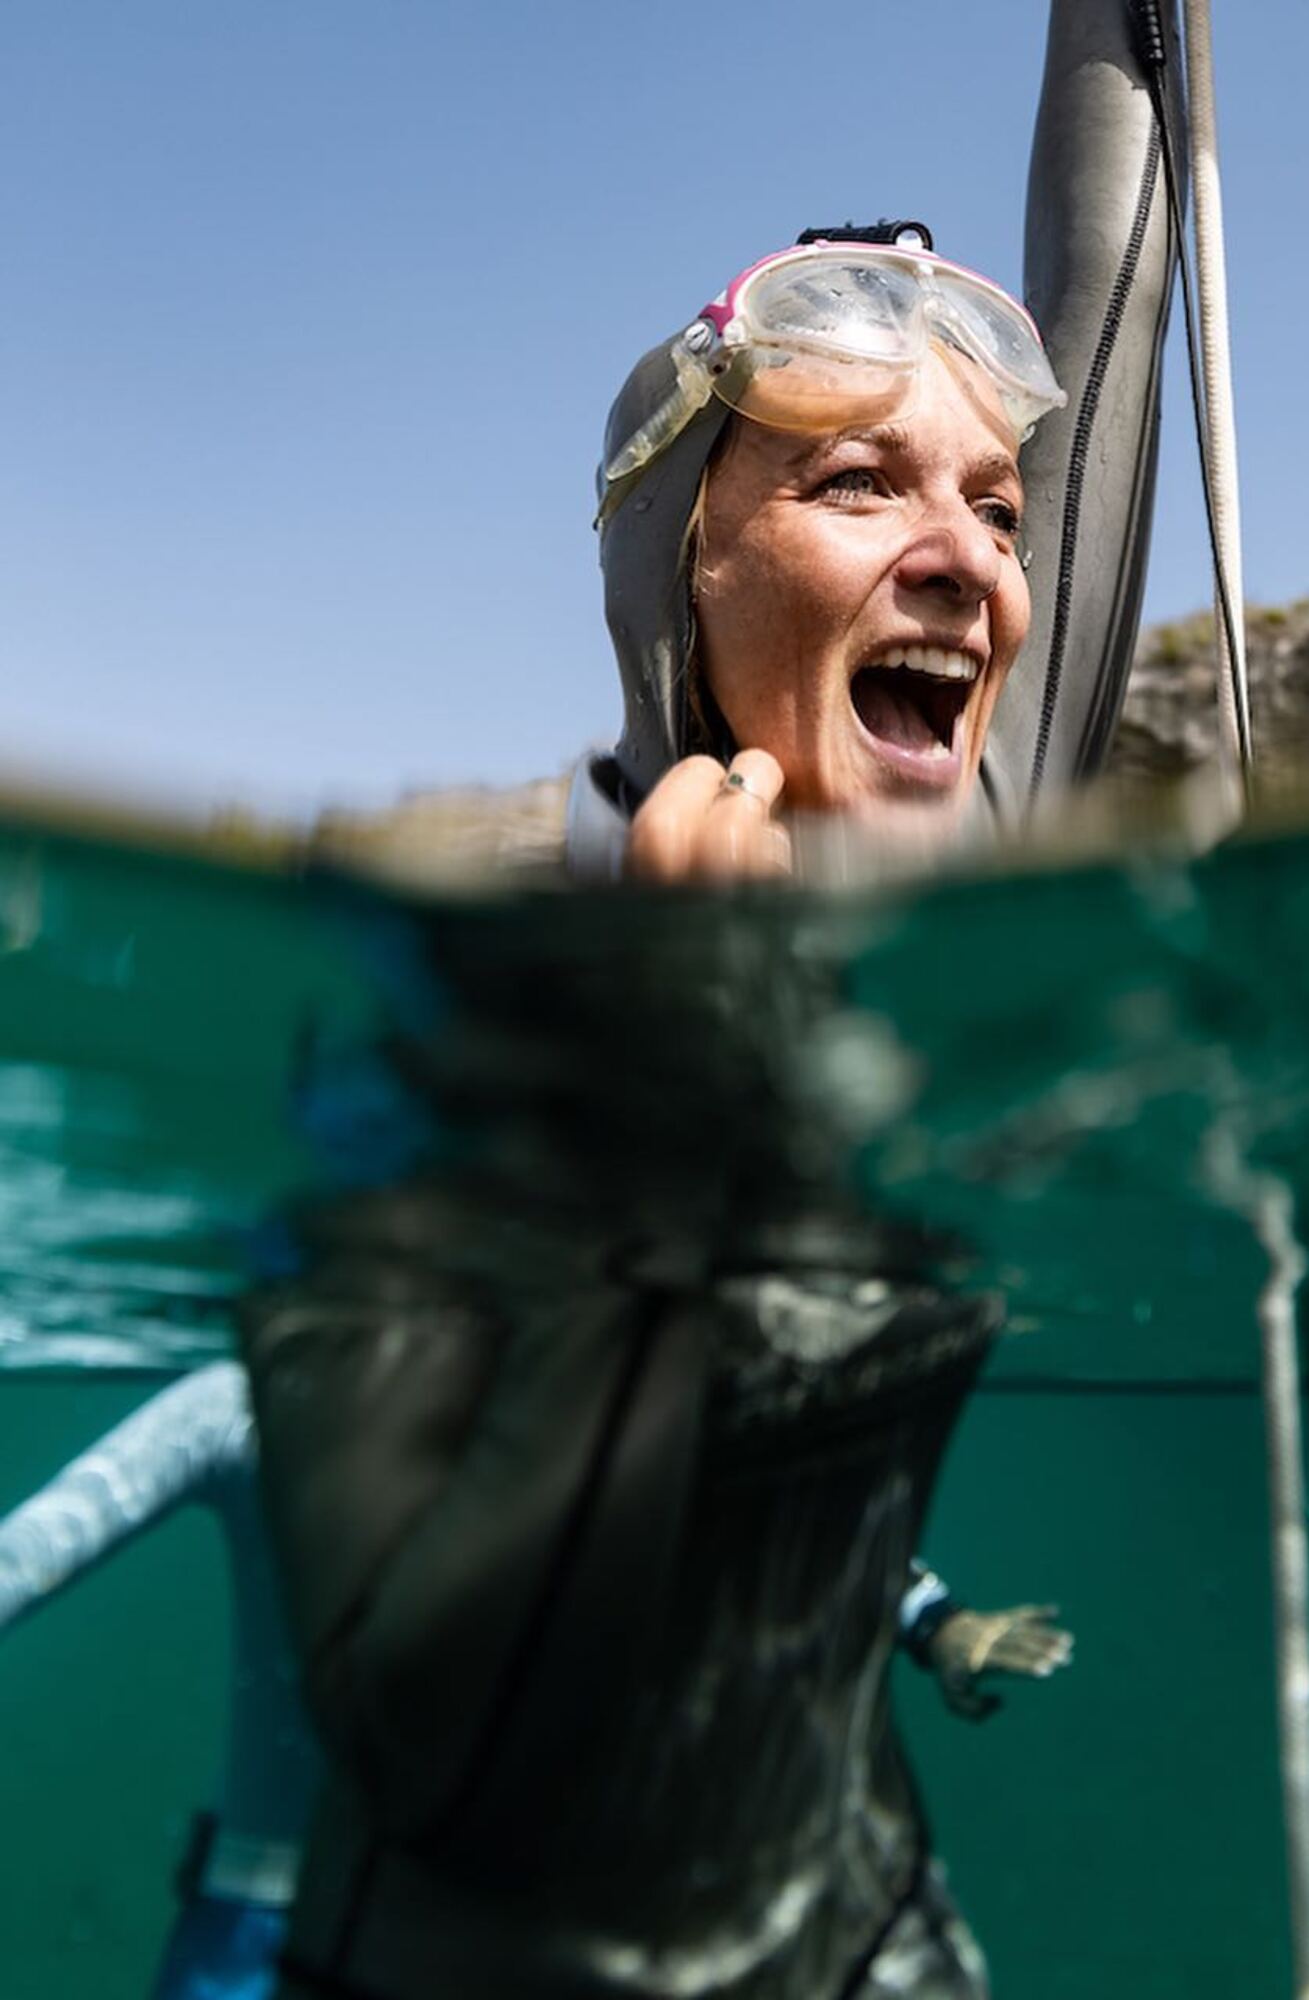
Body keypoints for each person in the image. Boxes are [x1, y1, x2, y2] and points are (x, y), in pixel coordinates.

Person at [239, 4, 1176, 1995]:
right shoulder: (442, 953)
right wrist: (677, 1114)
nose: (968, 569)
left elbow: (1120, 269)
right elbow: (435, 1739)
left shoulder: (969, 856)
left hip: (874, 1942)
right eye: (857, 487)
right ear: (681, 580)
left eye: (995, 513)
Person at [0, 1363, 321, 2000]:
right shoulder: (560, 1421)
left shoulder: (246, 1396)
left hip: (249, 1929)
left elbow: (24, 1559)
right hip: (501, 1932)